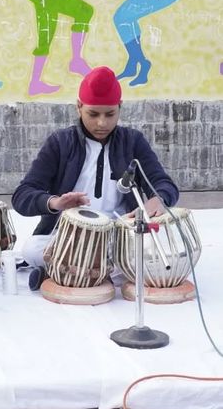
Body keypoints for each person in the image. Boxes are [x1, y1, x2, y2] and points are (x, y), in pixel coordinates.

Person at [12, 66, 179, 289]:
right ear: (79, 106)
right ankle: (96, 271)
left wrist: (158, 199)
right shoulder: (60, 143)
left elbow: (164, 183)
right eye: (93, 114)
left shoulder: (133, 141)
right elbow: (22, 196)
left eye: (110, 114)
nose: (102, 123)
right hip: (69, 239)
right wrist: (55, 202)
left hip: (118, 239)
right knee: (31, 248)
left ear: (120, 108)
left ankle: (63, 271)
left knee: (162, 251)